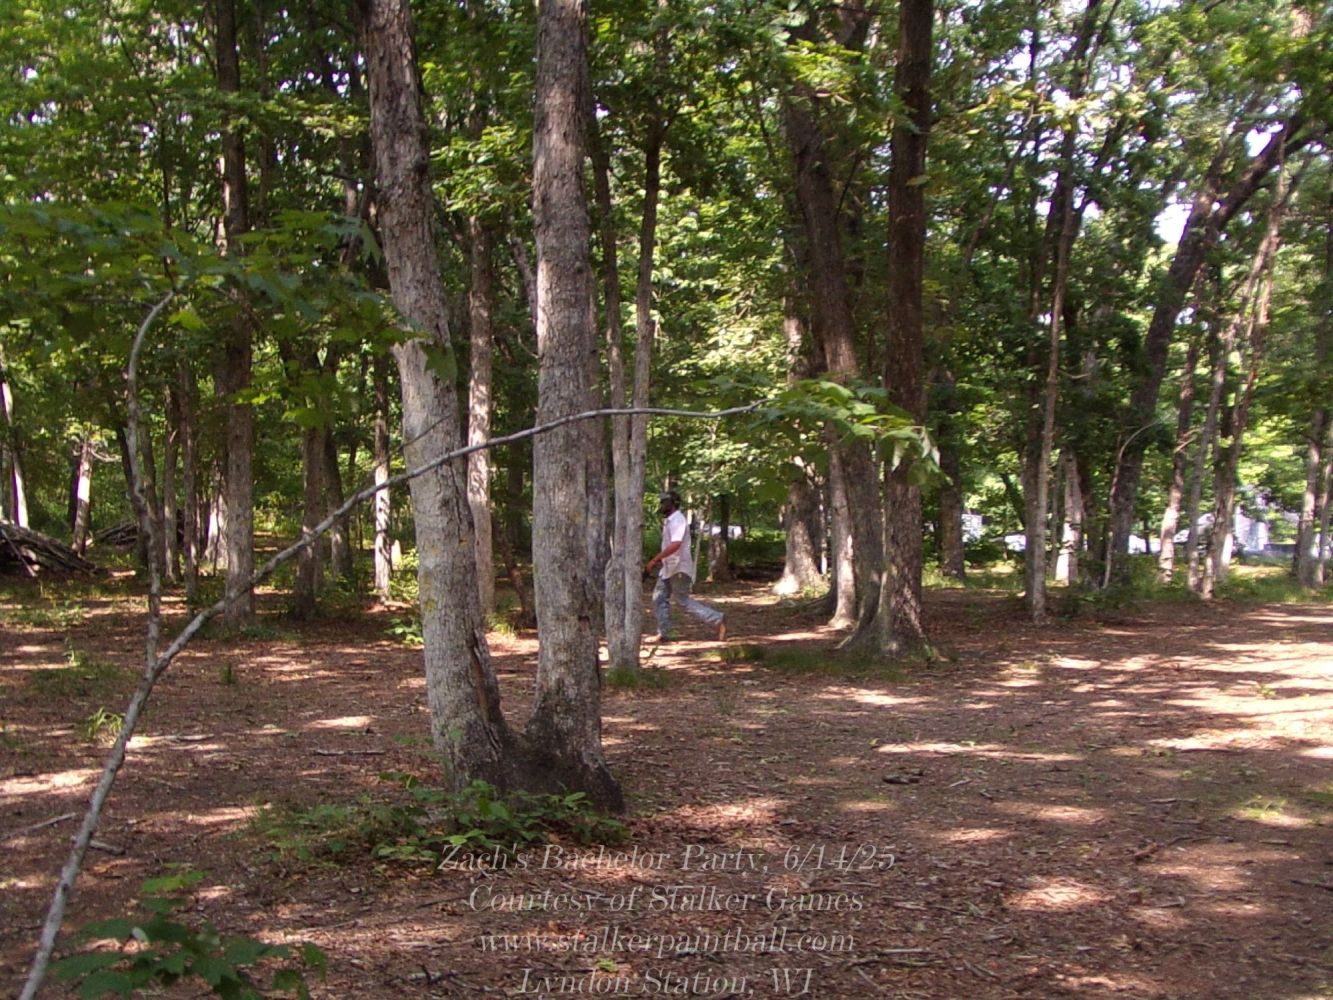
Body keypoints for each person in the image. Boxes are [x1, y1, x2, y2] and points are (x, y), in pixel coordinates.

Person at [644, 490, 727, 643]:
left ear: (673, 504)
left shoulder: (678, 520)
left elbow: (676, 544)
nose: (662, 505)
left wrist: (655, 560)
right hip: (668, 568)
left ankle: (717, 619)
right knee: (659, 598)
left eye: (664, 502)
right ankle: (663, 633)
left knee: (682, 600)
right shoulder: (670, 521)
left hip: (679, 568)